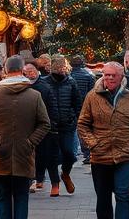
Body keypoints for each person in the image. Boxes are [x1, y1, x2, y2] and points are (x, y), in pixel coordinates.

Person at [0, 56, 51, 219]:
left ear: (5, 70)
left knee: (2, 196)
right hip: (24, 155)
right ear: (23, 70)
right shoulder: (34, 95)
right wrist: (30, 142)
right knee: (21, 197)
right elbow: (45, 124)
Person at [78, 61, 129, 219]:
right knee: (103, 198)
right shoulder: (92, 97)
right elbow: (82, 124)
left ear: (121, 76)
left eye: (113, 75)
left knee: (123, 195)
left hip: (124, 156)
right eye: (106, 74)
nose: (109, 78)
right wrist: (93, 144)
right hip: (100, 157)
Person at [45, 55, 82, 195]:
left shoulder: (71, 82)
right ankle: (55, 184)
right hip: (50, 126)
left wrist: (76, 119)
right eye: (59, 66)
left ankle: (65, 173)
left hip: (67, 124)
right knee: (51, 156)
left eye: (64, 66)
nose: (62, 69)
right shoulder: (45, 82)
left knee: (70, 153)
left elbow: (77, 103)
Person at [23, 60, 59, 195]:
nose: (29, 74)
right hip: (29, 127)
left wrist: (54, 124)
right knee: (34, 156)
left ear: (37, 71)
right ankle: (36, 179)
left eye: (31, 71)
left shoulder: (45, 86)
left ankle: (55, 183)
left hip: (45, 126)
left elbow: (52, 106)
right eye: (26, 72)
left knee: (50, 157)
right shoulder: (22, 86)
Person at [70, 55, 96, 162]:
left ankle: (81, 151)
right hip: (86, 104)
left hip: (73, 106)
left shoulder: (70, 76)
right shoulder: (88, 75)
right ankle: (88, 152)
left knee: (78, 129)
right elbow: (92, 92)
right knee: (86, 128)